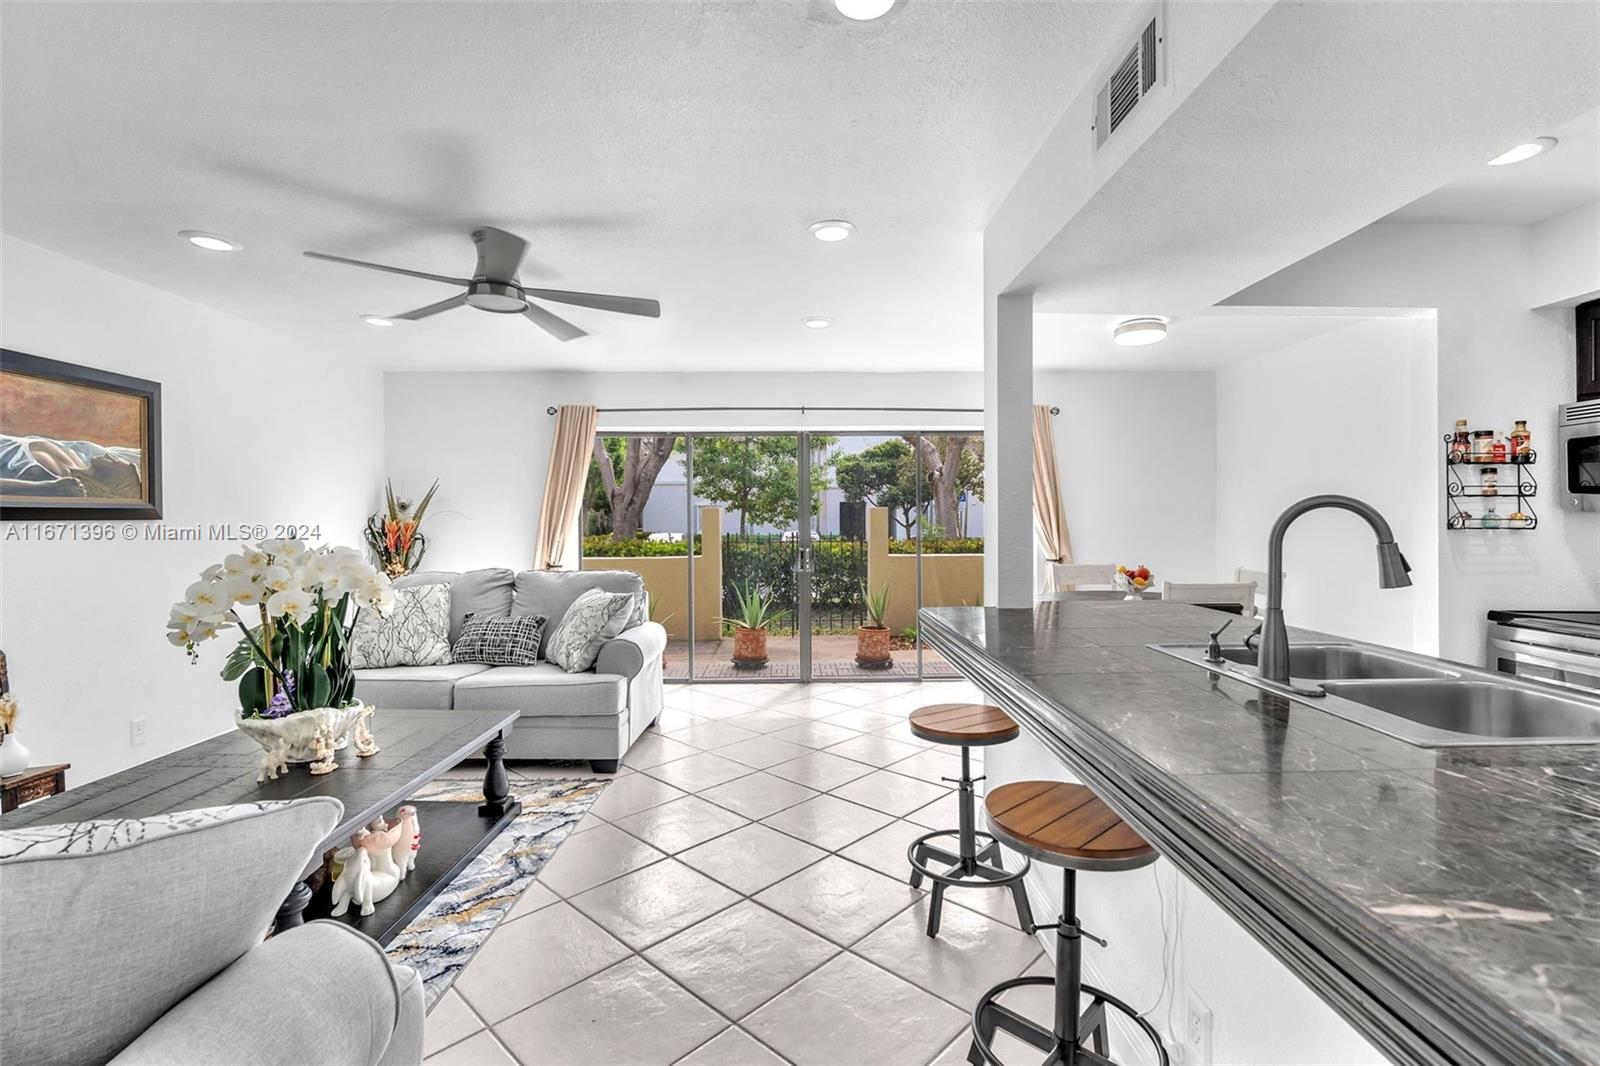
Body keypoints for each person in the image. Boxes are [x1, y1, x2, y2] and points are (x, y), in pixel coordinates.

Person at [0, 434, 142, 499]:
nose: (111, 457)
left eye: (115, 462)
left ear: (114, 480)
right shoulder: (78, 459)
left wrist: (47, 487)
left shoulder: (50, 476)